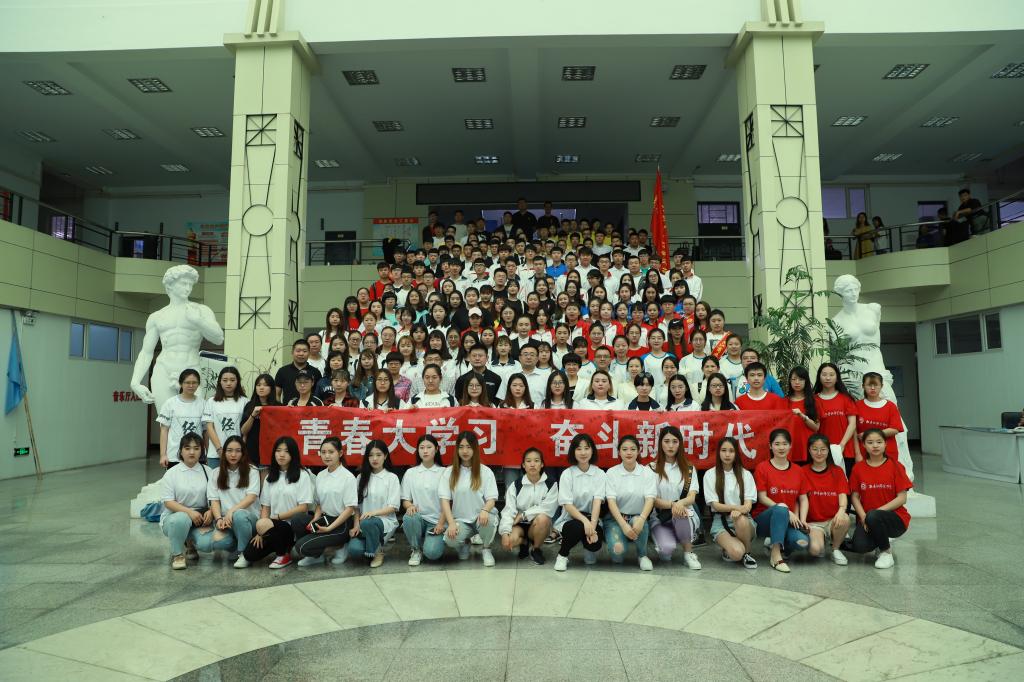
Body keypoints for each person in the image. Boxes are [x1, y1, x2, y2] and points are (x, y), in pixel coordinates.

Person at [242, 436, 315, 569]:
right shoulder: (270, 477)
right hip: (271, 526)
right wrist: (261, 530)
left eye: (286, 451)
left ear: (293, 454)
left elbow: (303, 507)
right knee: (249, 555)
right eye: (278, 450)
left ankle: (283, 555)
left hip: (291, 527)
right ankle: (278, 549)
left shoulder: (302, 475)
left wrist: (277, 517)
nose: (281, 454)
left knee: (274, 526)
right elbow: (265, 507)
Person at [849, 429, 912, 569]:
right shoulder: (858, 468)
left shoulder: (896, 466)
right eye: (870, 442)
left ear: (885, 444)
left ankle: (886, 552)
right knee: (860, 546)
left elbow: (902, 498)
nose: (875, 446)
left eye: (879, 442)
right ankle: (881, 539)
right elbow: (854, 497)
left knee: (874, 516)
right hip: (868, 518)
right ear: (864, 445)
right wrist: (864, 517)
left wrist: (875, 513)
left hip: (895, 518)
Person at [293, 437, 359, 567]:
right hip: (325, 519)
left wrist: (329, 528)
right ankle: (316, 556)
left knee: (300, 547)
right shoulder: (321, 475)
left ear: (340, 453)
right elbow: (319, 504)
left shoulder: (348, 477)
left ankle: (340, 547)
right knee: (297, 520)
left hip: (342, 524)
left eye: (331, 452)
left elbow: (350, 509)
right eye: (323, 452)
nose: (327, 456)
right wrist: (315, 519)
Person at [752, 429, 811, 573]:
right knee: (781, 508)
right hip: (764, 519)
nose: (781, 447)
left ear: (790, 445)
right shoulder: (762, 468)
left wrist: (802, 520)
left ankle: (778, 541)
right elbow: (762, 497)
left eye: (785, 444)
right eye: (777, 444)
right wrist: (785, 510)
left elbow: (803, 498)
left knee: (802, 543)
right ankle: (776, 556)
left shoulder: (798, 470)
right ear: (770, 446)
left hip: (789, 520)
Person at [439, 431, 499, 566]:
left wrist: (485, 510)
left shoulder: (485, 471)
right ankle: (465, 543)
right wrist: (451, 523)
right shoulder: (449, 472)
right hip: (461, 520)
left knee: (489, 520)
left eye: (469, 447)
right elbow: (445, 500)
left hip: (481, 518)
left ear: (475, 449)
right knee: (450, 539)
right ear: (457, 449)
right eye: (461, 447)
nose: (465, 451)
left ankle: (486, 549)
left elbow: (491, 499)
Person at [159, 433, 217, 569]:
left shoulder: (209, 472)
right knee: (181, 519)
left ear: (201, 451)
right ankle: (177, 554)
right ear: (180, 451)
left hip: (200, 519)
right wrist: (189, 512)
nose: (192, 452)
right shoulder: (171, 473)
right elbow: (168, 502)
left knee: (207, 544)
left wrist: (211, 511)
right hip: (175, 518)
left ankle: (190, 543)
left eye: (196, 448)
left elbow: (215, 498)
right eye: (187, 448)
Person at [204, 435, 261, 568]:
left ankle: (244, 554)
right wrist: (219, 519)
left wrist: (231, 511)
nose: (233, 454)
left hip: (249, 520)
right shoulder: (216, 473)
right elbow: (214, 501)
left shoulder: (252, 471)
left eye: (237, 451)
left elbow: (251, 497)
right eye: (229, 450)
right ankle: (240, 545)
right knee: (217, 542)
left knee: (239, 515)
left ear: (243, 453)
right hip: (227, 522)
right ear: (224, 452)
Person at [649, 427, 701, 568]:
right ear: (660, 443)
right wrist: (673, 504)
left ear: (680, 444)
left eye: (674, 441)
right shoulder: (651, 468)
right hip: (660, 517)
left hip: (684, 514)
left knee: (681, 513)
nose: (670, 445)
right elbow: (652, 500)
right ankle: (666, 540)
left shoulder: (689, 468)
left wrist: (679, 505)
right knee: (666, 553)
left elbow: (692, 497)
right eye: (666, 441)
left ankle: (688, 553)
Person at [345, 440, 401, 568]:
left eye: (378, 455)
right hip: (363, 523)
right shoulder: (361, 477)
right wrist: (356, 525)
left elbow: (393, 507)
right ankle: (374, 544)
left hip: (384, 522)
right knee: (354, 550)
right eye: (371, 455)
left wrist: (372, 513)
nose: (374, 459)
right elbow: (357, 507)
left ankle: (377, 552)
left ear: (385, 456)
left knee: (369, 522)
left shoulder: (391, 478)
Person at [554, 434, 606, 571]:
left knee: (595, 544)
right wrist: (585, 521)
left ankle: (588, 549)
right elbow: (567, 505)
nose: (583, 453)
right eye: (579, 449)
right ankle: (562, 555)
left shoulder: (600, 474)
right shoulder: (567, 474)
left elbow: (597, 502)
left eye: (586, 448)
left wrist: (592, 526)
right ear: (573, 451)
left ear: (592, 450)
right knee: (577, 527)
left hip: (592, 518)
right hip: (571, 519)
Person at [703, 437, 757, 568]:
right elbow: (715, 505)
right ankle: (735, 549)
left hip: (744, 519)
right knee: (736, 553)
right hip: (721, 520)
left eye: (731, 451)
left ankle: (747, 552)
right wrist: (736, 508)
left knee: (741, 520)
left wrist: (739, 512)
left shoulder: (745, 474)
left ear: (736, 453)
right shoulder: (710, 474)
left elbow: (748, 505)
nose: (727, 454)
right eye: (723, 450)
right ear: (718, 452)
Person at [604, 435, 657, 571]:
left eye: (633, 449)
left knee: (638, 521)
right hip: (616, 519)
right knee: (618, 555)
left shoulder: (647, 473)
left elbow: (650, 499)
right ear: (619, 452)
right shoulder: (612, 472)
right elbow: (611, 502)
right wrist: (623, 524)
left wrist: (642, 519)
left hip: (638, 516)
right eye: (625, 449)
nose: (629, 452)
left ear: (638, 451)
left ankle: (642, 555)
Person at [499, 448, 559, 565]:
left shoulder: (551, 483)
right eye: (528, 461)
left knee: (543, 518)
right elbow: (508, 510)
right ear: (523, 465)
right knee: (508, 542)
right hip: (519, 525)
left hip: (538, 524)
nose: (532, 464)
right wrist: (505, 533)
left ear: (542, 464)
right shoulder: (516, 485)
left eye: (536, 461)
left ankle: (535, 549)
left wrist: (524, 514)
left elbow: (548, 508)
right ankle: (524, 542)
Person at [799, 434, 850, 566]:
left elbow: (843, 495)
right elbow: (800, 499)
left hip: (833, 520)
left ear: (828, 450)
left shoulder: (837, 471)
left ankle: (835, 549)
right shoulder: (802, 471)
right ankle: (820, 539)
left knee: (844, 518)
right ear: (809, 450)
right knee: (815, 550)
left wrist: (841, 510)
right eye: (815, 449)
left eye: (823, 449)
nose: (819, 453)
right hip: (814, 523)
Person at [401, 435, 448, 565]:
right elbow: (405, 500)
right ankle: (416, 549)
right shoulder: (411, 473)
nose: (425, 451)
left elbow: (448, 502)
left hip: (437, 522)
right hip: (418, 519)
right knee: (409, 517)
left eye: (429, 447)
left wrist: (441, 523)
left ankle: (430, 542)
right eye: (421, 448)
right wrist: (410, 506)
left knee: (432, 553)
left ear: (436, 449)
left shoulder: (444, 472)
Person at [814, 363, 859, 475]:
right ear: (819, 377)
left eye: (831, 374)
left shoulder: (846, 398)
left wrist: (841, 445)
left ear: (837, 377)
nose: (828, 378)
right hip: (821, 452)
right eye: (824, 374)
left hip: (845, 451)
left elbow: (852, 425)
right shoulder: (814, 400)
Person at [157, 369, 206, 468]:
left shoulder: (203, 404)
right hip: (174, 455)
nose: (191, 385)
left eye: (194, 383)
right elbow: (164, 430)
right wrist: (163, 455)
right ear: (180, 383)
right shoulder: (170, 403)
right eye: (187, 382)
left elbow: (206, 431)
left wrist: (207, 453)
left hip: (197, 455)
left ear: (198, 384)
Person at [201, 367, 247, 471]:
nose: (228, 383)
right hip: (216, 454)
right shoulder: (211, 401)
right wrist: (219, 449)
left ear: (238, 381)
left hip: (238, 453)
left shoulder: (245, 401)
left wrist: (241, 449)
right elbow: (209, 427)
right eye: (225, 380)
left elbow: (246, 429)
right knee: (215, 480)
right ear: (220, 382)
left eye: (232, 380)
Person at [854, 372, 905, 461]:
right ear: (863, 386)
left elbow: (895, 429)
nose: (872, 388)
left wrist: (868, 435)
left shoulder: (890, 406)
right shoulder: (856, 406)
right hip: (864, 453)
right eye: (869, 385)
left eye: (876, 385)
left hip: (887, 452)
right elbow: (853, 431)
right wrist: (857, 454)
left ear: (881, 386)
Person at [240, 374, 279, 468]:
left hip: (270, 451)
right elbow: (243, 431)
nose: (261, 388)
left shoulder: (278, 406)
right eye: (258, 385)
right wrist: (253, 415)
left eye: (265, 385)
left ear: (271, 388)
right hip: (252, 451)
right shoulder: (249, 405)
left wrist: (289, 410)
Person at [786, 367, 820, 463]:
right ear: (790, 381)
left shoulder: (814, 401)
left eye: (801, 379)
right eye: (794, 379)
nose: (797, 382)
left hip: (808, 446)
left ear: (806, 381)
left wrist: (803, 416)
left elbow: (816, 428)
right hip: (789, 447)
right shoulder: (784, 401)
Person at [274, 339, 323, 404]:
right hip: (288, 408)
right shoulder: (282, 371)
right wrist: (279, 408)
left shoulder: (315, 372)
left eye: (304, 351)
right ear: (292, 352)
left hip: (310, 409)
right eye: (298, 351)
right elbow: (277, 394)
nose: (301, 354)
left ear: (309, 353)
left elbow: (319, 394)